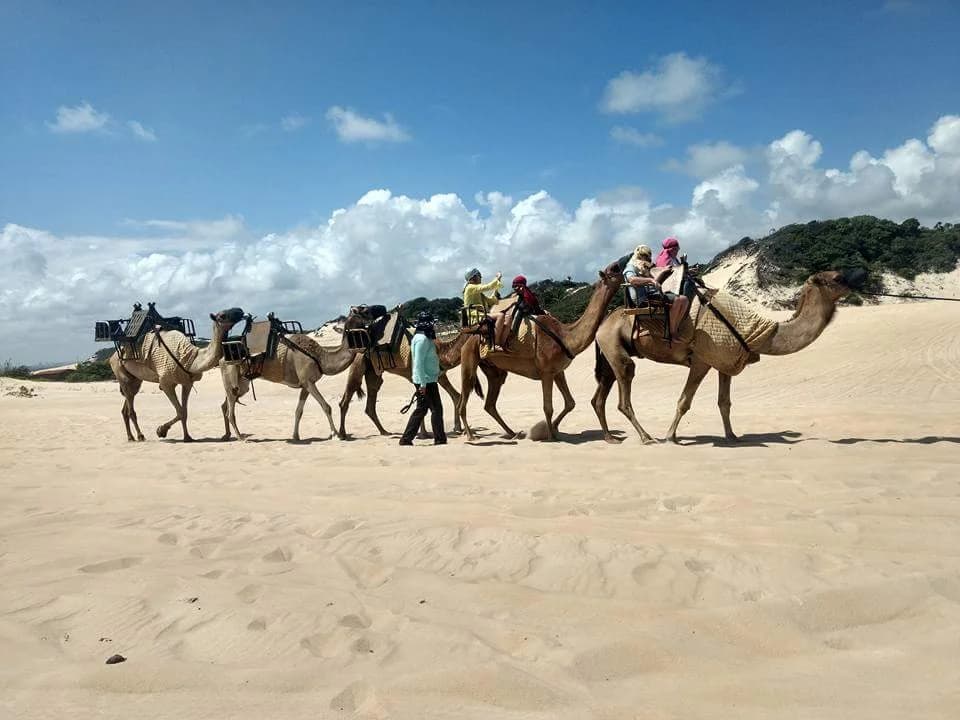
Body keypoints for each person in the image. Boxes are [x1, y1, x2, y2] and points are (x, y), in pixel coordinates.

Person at [399, 312, 447, 446]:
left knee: (423, 409)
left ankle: (407, 439)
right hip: (425, 381)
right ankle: (439, 439)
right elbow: (418, 362)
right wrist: (423, 385)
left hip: (428, 379)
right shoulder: (422, 340)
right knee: (434, 409)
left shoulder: (424, 337)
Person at [624, 244, 690, 340]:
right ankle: (671, 332)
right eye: (646, 257)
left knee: (684, 299)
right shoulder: (630, 268)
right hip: (643, 298)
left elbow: (655, 283)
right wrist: (650, 280)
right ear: (640, 256)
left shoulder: (643, 268)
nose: (648, 259)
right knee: (678, 300)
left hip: (652, 294)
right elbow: (632, 280)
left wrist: (664, 273)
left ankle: (674, 328)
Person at [495, 274, 543, 347]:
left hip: (531, 312)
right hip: (527, 310)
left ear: (522, 286)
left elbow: (527, 307)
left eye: (517, 286)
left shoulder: (527, 295)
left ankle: (512, 332)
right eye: (514, 287)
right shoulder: (520, 294)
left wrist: (516, 305)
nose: (515, 288)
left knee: (519, 312)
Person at [462, 267, 503, 347]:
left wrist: (496, 291)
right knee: (501, 316)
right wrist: (497, 278)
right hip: (475, 316)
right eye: (479, 275)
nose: (481, 277)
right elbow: (488, 287)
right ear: (473, 277)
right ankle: (496, 343)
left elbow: (491, 301)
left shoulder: (477, 291)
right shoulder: (470, 287)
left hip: (480, 314)